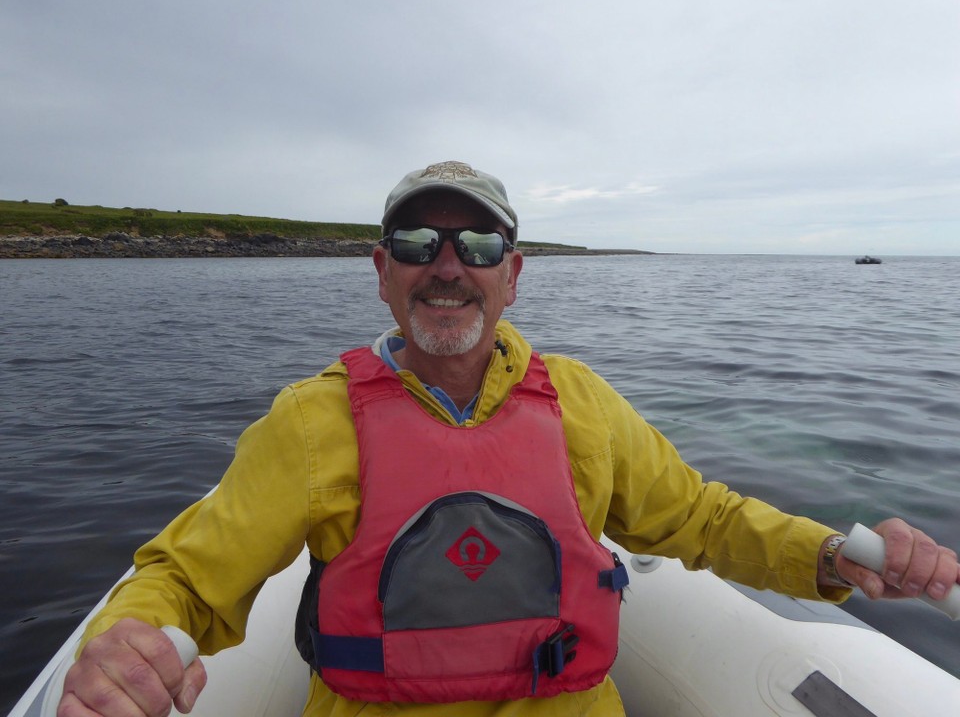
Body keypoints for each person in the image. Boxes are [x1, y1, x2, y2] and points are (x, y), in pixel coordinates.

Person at [58, 160, 960, 717]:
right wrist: (126, 641)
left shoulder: (582, 405)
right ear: (382, 272)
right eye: (419, 242)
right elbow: (183, 575)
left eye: (479, 246)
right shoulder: (310, 422)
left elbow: (704, 521)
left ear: (513, 276)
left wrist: (836, 556)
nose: (448, 266)